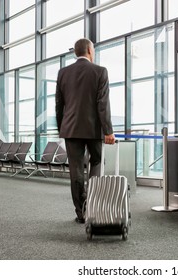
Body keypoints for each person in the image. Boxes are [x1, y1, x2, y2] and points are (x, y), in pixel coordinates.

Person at [55, 38, 115, 224]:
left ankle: (81, 213)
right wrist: (108, 131)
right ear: (90, 50)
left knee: (76, 170)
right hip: (93, 129)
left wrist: (62, 128)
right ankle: (94, 205)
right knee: (96, 162)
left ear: (75, 52)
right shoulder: (100, 71)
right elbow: (102, 104)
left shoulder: (63, 73)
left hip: (71, 129)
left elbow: (59, 105)